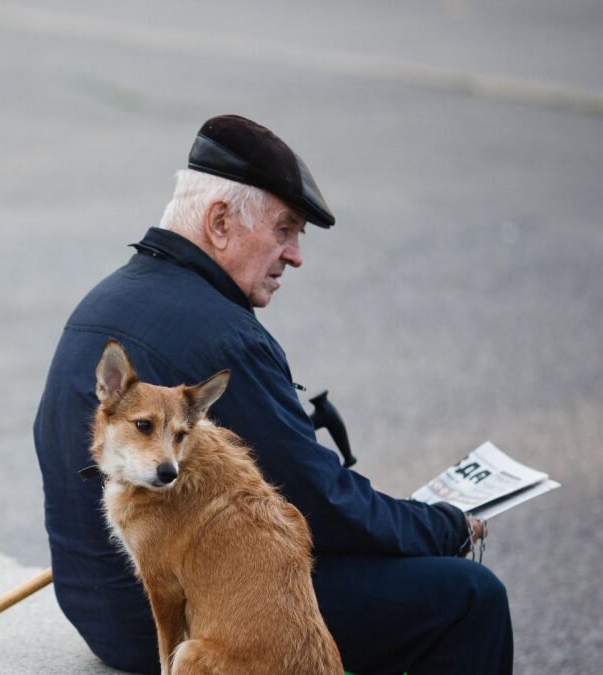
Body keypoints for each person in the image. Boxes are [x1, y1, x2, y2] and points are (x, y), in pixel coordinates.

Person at [33, 114, 512, 674]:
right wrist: (443, 524)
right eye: (284, 229)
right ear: (219, 223)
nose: (295, 255)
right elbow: (321, 506)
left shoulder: (101, 301)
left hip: (97, 607)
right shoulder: (222, 335)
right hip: (174, 619)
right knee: (470, 595)